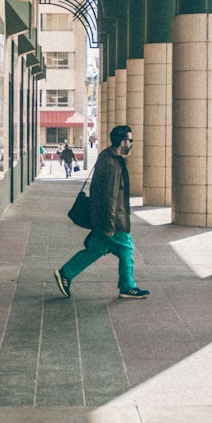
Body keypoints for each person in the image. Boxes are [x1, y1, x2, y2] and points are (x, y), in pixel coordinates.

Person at [54, 124, 150, 300]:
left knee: (97, 249)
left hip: (103, 217)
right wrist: (109, 223)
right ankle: (127, 286)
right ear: (123, 142)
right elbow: (109, 197)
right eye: (130, 140)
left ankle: (66, 273)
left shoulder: (108, 156)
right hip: (113, 219)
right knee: (126, 248)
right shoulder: (112, 164)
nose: (132, 144)